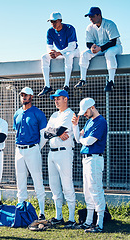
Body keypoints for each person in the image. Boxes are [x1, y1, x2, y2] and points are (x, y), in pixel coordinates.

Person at [71, 98, 108, 233]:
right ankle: (88, 221)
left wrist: (81, 139)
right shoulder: (88, 122)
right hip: (86, 159)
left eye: (85, 111)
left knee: (95, 189)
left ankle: (100, 223)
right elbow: (78, 138)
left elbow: (89, 141)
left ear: (92, 107)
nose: (84, 114)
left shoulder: (101, 122)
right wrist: (75, 126)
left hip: (94, 159)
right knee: (87, 190)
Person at [43, 89, 77, 228]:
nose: (56, 100)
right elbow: (46, 134)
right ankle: (58, 216)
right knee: (54, 185)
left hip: (64, 152)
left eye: (59, 98)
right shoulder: (54, 115)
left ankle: (71, 218)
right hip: (52, 152)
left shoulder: (70, 113)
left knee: (67, 184)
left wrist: (56, 132)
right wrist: (56, 133)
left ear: (66, 99)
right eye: (55, 98)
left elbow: (58, 131)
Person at [13, 87, 48, 220]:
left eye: (26, 95)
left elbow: (43, 134)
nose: (23, 97)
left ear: (31, 97)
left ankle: (42, 211)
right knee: (20, 180)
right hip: (19, 150)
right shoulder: (17, 113)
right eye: (22, 95)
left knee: (37, 180)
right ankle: (20, 210)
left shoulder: (38, 113)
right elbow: (16, 130)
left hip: (33, 149)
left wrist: (37, 148)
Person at [74, 7, 122, 92]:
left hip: (115, 47)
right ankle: (82, 80)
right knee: (84, 53)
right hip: (100, 48)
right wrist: (92, 47)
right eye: (89, 17)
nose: (90, 19)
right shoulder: (90, 27)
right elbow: (88, 43)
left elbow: (113, 42)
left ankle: (111, 81)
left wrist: (100, 48)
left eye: (92, 16)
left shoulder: (109, 24)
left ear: (99, 15)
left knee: (109, 53)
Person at [38, 12, 80, 96]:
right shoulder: (50, 31)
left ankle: (66, 85)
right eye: (51, 21)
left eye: (54, 21)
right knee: (44, 57)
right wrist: (51, 52)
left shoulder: (69, 28)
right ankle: (47, 86)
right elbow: (49, 46)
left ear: (60, 20)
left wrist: (59, 53)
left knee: (68, 56)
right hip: (61, 52)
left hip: (74, 51)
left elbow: (72, 46)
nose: (52, 23)